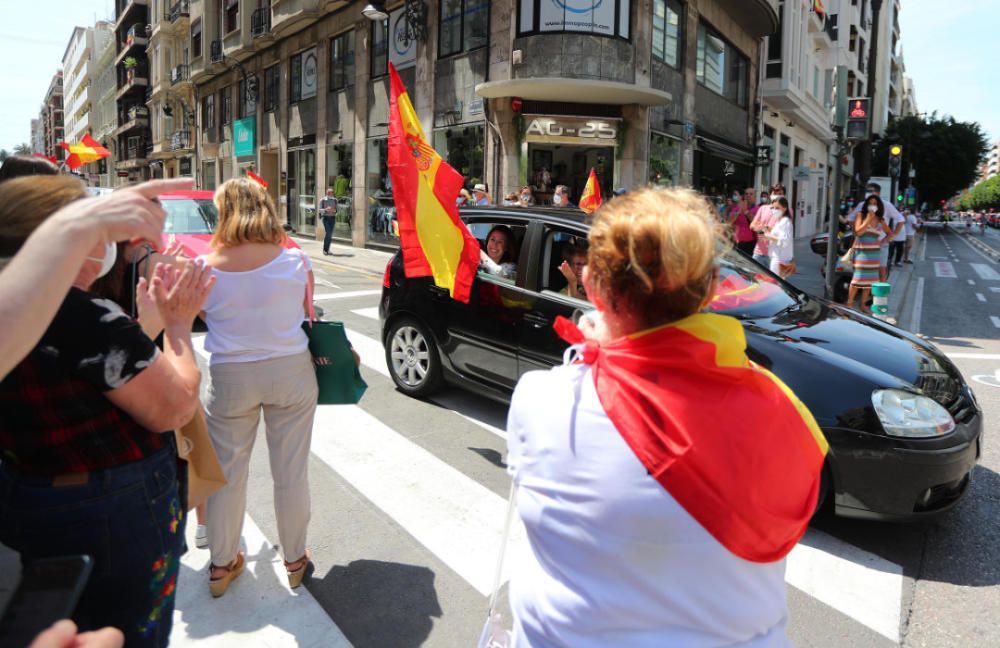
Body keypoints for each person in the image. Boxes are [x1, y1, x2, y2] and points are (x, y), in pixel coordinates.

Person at [506, 187, 826, 647]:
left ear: (593, 287)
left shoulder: (544, 398)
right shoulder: (778, 409)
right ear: (715, 284)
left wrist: (599, 354)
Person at [0, 175, 213, 648]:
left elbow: (97, 374)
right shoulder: (79, 312)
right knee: (132, 626)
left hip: (30, 494)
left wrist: (142, 327)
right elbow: (174, 406)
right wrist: (177, 326)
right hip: (110, 506)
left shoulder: (22, 308)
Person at [198, 178, 319, 597]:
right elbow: (309, 314)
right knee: (291, 471)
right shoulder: (295, 261)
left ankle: (220, 564)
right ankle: (294, 559)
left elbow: (194, 316)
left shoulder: (204, 266)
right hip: (290, 369)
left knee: (227, 475)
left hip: (230, 375)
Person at [847, 194, 892, 313]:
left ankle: (863, 304)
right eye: (870, 203)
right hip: (861, 252)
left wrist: (881, 242)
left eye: (875, 203)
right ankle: (850, 303)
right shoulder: (860, 216)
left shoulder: (880, 219)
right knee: (857, 279)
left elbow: (889, 233)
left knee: (870, 281)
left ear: (878, 206)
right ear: (866, 205)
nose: (872, 205)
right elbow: (858, 232)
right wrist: (868, 219)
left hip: (874, 254)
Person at [765, 196, 794, 277]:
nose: (774, 210)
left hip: (779, 259)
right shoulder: (779, 221)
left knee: (776, 283)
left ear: (784, 208)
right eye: (773, 208)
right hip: (776, 257)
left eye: (777, 208)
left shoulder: (785, 222)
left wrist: (768, 236)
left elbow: (784, 240)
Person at [730, 188, 757, 256]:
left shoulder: (758, 209)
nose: (748, 196)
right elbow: (729, 222)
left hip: (750, 244)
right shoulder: (736, 208)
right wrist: (739, 211)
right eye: (746, 194)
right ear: (743, 196)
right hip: (736, 243)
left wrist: (746, 212)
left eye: (751, 194)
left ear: (755, 197)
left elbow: (756, 223)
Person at [319, 187, 338, 256]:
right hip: (326, 218)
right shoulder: (323, 200)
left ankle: (327, 249)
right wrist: (326, 209)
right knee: (328, 232)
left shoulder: (335, 200)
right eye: (329, 192)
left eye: (332, 192)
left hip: (332, 218)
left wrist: (334, 210)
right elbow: (320, 210)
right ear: (327, 193)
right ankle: (325, 249)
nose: (331, 194)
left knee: (330, 235)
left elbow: (337, 210)